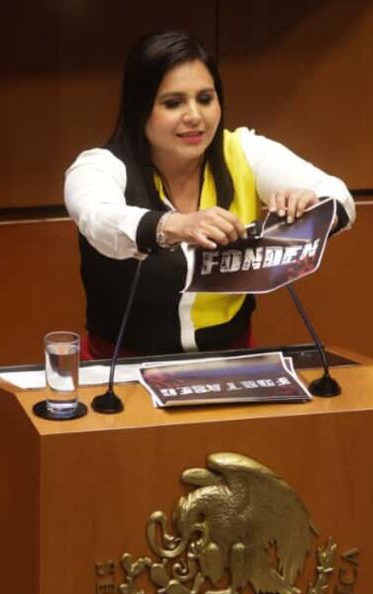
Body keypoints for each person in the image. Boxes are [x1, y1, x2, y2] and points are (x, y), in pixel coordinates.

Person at [64, 31, 355, 359]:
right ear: (139, 107)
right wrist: (174, 225)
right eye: (173, 103)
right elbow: (97, 218)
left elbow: (339, 197)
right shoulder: (100, 166)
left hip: (231, 364)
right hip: (121, 368)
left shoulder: (245, 151)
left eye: (205, 99)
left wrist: (309, 208)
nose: (194, 116)